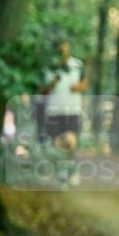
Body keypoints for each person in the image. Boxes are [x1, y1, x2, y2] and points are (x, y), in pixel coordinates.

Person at [40, 40, 88, 183]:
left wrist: (77, 87)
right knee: (58, 142)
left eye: (65, 45)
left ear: (68, 47)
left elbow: (84, 84)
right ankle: (62, 170)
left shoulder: (77, 65)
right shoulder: (49, 66)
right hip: (54, 110)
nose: (62, 48)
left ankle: (71, 170)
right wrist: (52, 84)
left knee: (71, 141)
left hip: (72, 109)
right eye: (60, 45)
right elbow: (42, 91)